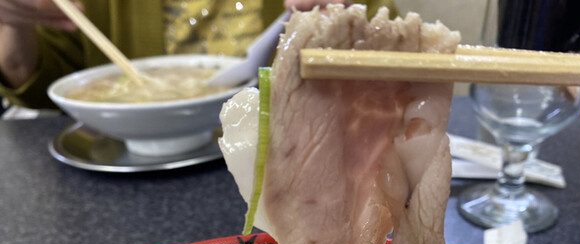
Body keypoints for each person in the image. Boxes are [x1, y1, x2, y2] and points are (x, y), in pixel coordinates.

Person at [0, 0, 397, 110]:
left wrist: (342, 21)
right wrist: (14, 19)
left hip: (291, 169)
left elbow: (394, 70)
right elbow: (31, 80)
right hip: (123, 188)